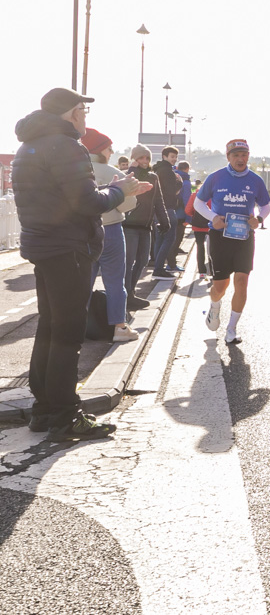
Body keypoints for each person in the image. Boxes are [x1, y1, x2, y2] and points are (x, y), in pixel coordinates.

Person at [13, 87, 147, 440]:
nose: (85, 117)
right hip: (69, 248)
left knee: (50, 328)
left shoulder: (29, 146)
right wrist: (121, 189)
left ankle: (43, 410)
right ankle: (65, 416)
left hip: (44, 246)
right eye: (83, 111)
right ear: (73, 113)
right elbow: (87, 202)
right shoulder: (66, 146)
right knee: (68, 334)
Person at [196, 139, 270, 346]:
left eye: (244, 155)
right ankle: (214, 306)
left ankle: (231, 329)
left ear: (248, 156)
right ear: (228, 157)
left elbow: (266, 206)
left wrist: (259, 219)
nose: (240, 159)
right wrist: (213, 217)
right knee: (220, 286)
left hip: (244, 237)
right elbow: (198, 202)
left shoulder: (255, 180)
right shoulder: (216, 177)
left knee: (241, 281)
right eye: (236, 155)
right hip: (220, 237)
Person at [82, 128, 139, 342]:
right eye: (108, 147)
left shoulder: (77, 171)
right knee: (115, 281)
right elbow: (127, 204)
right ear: (98, 150)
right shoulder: (112, 172)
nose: (111, 151)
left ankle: (78, 327)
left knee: (83, 282)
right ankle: (119, 327)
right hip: (112, 230)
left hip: (84, 231)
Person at [123, 144, 170, 304]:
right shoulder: (129, 173)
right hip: (129, 225)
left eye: (147, 158)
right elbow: (126, 184)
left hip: (145, 226)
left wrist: (164, 220)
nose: (144, 161)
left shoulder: (153, 177)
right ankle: (126, 296)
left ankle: (131, 292)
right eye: (140, 158)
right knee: (128, 262)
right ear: (134, 159)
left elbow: (159, 200)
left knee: (142, 261)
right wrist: (133, 168)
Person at [151, 145, 183, 277]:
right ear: (165, 156)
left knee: (160, 239)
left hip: (158, 209)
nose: (174, 159)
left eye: (176, 157)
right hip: (168, 208)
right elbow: (171, 191)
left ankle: (157, 267)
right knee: (170, 238)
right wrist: (179, 183)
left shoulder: (158, 170)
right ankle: (159, 269)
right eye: (172, 156)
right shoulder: (168, 171)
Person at [169, 160, 193, 270]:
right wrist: (189, 217)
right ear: (187, 169)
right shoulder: (186, 182)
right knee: (177, 240)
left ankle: (169, 263)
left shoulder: (172, 176)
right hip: (181, 214)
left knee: (169, 240)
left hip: (170, 211)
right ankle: (172, 264)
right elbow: (187, 200)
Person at [185, 180, 211, 280]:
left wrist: (195, 215)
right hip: (212, 225)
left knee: (200, 247)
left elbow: (188, 210)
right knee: (212, 248)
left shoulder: (196, 194)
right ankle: (212, 270)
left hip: (198, 225)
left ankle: (202, 271)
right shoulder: (215, 194)